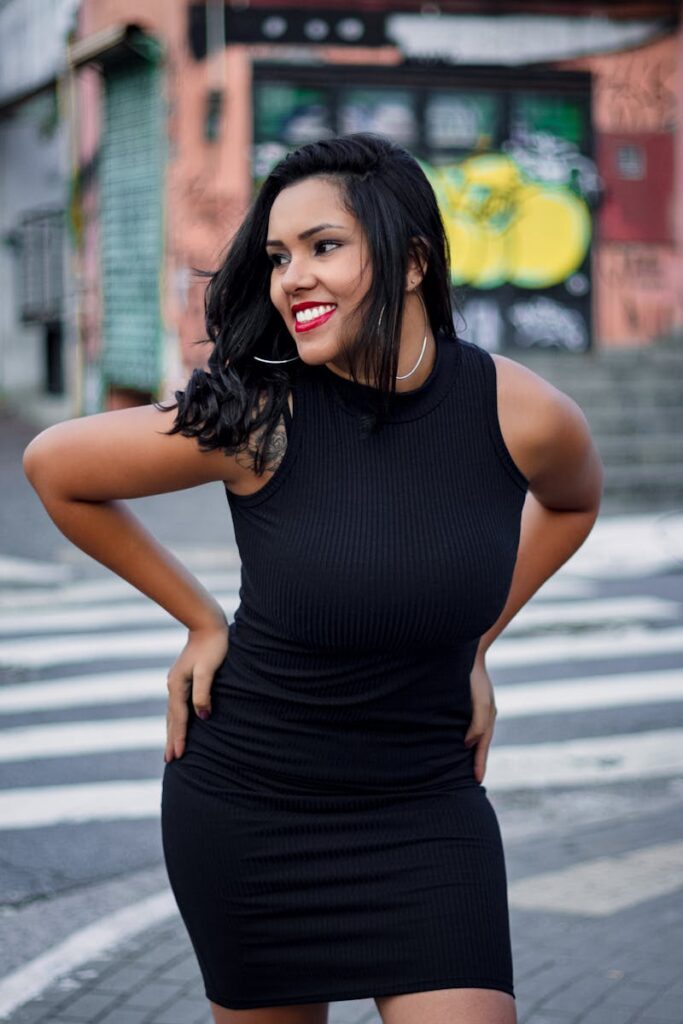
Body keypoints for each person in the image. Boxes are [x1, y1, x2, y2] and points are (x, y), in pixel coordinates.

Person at [23, 132, 603, 1024]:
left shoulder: (519, 412)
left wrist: (476, 641)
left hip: (424, 809)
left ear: (411, 261)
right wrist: (201, 620)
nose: (292, 277)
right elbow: (55, 466)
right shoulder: (262, 414)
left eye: (323, 247)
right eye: (278, 257)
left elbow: (570, 505)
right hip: (254, 807)